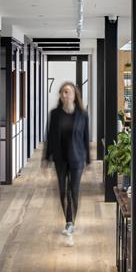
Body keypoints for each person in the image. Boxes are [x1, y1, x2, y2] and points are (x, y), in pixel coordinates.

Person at [42, 82, 90, 246]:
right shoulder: (55, 114)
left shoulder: (82, 115)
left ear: (74, 95)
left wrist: (88, 160)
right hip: (60, 159)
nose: (64, 95)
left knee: (73, 191)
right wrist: (46, 158)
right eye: (62, 92)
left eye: (67, 92)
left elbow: (85, 138)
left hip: (77, 159)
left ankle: (70, 222)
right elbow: (50, 136)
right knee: (63, 191)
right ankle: (68, 218)